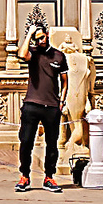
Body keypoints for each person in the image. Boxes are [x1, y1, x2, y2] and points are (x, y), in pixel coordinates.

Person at [16, 24, 68, 193]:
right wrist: (30, 33)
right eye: (36, 38)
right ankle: (24, 176)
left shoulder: (59, 56)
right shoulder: (33, 53)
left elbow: (65, 81)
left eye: (42, 37)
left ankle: (49, 177)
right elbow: (21, 54)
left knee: (52, 144)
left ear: (47, 35)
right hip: (32, 103)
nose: (40, 41)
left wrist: (62, 100)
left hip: (51, 106)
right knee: (26, 142)